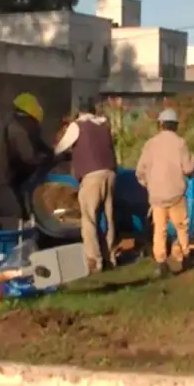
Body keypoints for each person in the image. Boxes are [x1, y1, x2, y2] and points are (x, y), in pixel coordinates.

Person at [54, 101, 118, 273]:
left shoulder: (78, 126)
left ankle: (94, 261)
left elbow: (61, 147)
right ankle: (110, 258)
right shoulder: (104, 125)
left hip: (92, 175)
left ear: (80, 113)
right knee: (109, 217)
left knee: (89, 218)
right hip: (110, 173)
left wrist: (51, 154)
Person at [135, 108, 194, 277]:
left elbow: (140, 171)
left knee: (159, 230)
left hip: (157, 197)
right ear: (175, 126)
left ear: (160, 125)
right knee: (181, 227)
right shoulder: (180, 143)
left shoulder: (150, 144)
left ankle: (161, 262)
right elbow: (189, 168)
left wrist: (149, 185)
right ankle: (185, 256)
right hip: (176, 194)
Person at [0, 93, 54, 220]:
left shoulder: (4, 124)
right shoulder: (17, 129)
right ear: (29, 117)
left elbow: (37, 144)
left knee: (4, 216)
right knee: (15, 216)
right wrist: (47, 158)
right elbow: (29, 157)